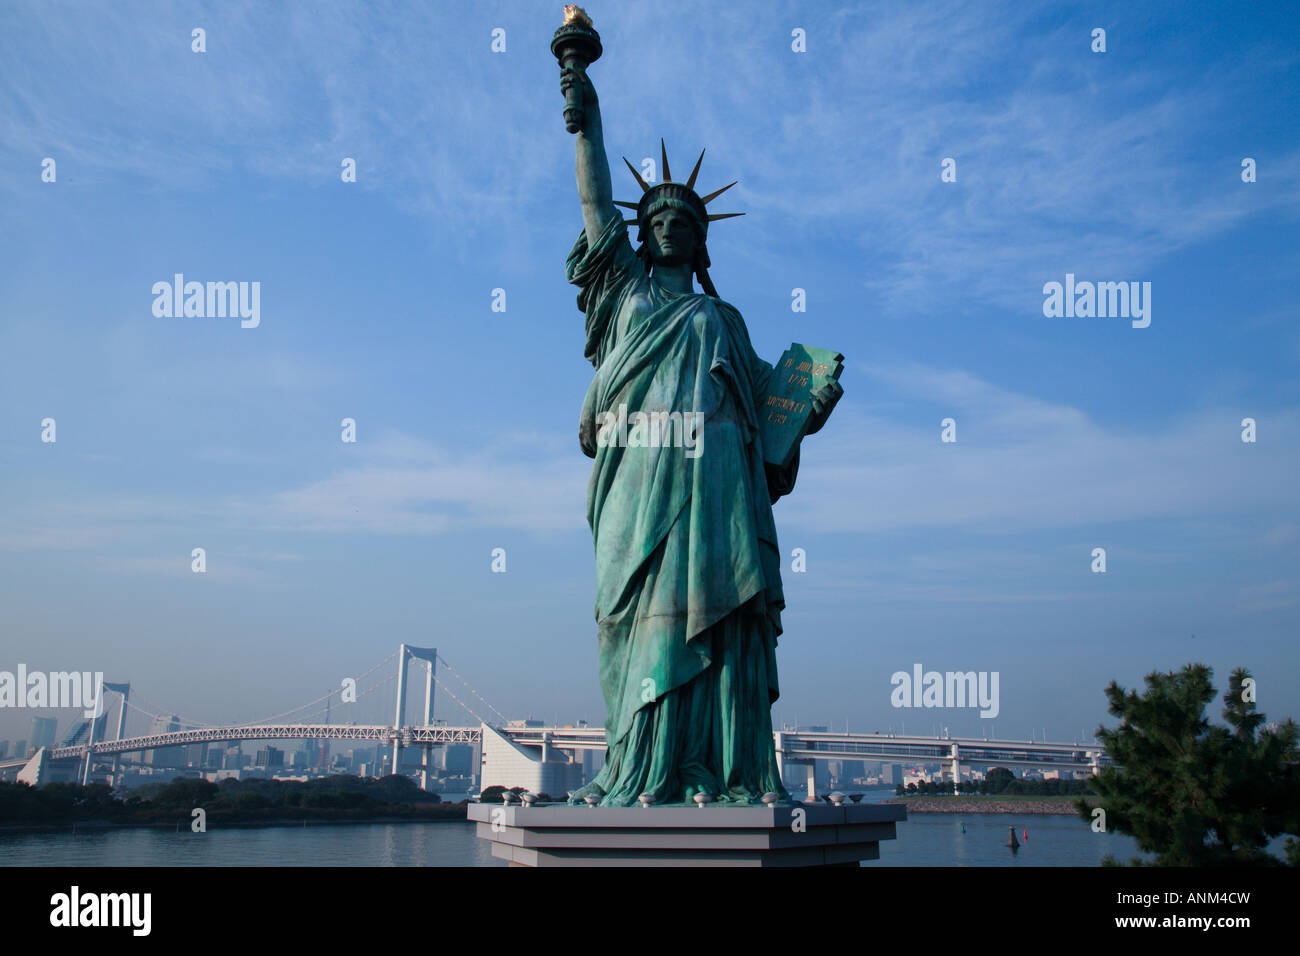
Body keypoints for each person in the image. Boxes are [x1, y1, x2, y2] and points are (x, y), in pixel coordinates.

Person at [561, 64, 841, 806]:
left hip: (717, 488)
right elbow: (593, 199)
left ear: (700, 240)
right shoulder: (623, 290)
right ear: (642, 238)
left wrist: (810, 408)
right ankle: (639, 764)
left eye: (683, 223)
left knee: (721, 622)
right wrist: (582, 97)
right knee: (635, 621)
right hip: (638, 478)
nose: (669, 230)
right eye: (655, 223)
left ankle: (717, 768)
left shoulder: (725, 321)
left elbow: (768, 428)